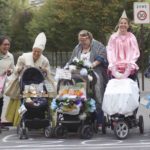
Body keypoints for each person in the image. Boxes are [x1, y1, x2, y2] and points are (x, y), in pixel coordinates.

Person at [5, 32, 56, 126]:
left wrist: (45, 70)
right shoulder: (24, 57)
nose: (36, 53)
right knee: (22, 99)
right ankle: (22, 120)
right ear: (32, 49)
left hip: (39, 85)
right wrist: (19, 69)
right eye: (35, 51)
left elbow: (48, 73)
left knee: (44, 97)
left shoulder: (44, 60)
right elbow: (16, 69)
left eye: (39, 51)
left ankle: (41, 119)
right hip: (25, 83)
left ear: (42, 52)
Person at [65, 30, 108, 127]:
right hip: (79, 75)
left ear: (89, 38)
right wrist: (66, 68)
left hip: (95, 72)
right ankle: (77, 115)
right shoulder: (77, 48)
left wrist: (92, 65)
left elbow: (102, 56)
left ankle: (99, 120)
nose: (82, 43)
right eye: (81, 41)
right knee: (76, 91)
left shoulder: (97, 45)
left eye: (84, 41)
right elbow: (71, 60)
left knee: (97, 93)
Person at [107, 10, 140, 79]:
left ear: (128, 25)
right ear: (119, 25)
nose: (123, 25)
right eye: (121, 23)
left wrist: (131, 63)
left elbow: (135, 51)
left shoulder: (131, 37)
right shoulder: (113, 37)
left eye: (125, 23)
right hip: (116, 67)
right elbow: (110, 51)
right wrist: (112, 63)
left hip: (129, 67)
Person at [0, 36, 14, 131]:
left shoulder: (10, 56)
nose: (6, 46)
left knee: (0, 102)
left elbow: (13, 68)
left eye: (8, 44)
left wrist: (10, 71)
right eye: (4, 44)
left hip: (1, 83)